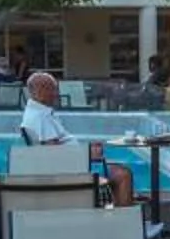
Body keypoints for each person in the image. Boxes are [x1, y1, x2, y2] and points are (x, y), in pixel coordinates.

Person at [17, 70, 138, 209]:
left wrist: (87, 150)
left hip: (72, 164)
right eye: (52, 89)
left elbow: (56, 147)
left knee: (119, 170)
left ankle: (117, 216)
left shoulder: (38, 112)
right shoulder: (40, 117)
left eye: (55, 89)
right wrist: (87, 154)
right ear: (39, 90)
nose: (55, 94)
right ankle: (124, 222)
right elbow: (52, 153)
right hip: (70, 170)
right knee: (123, 175)